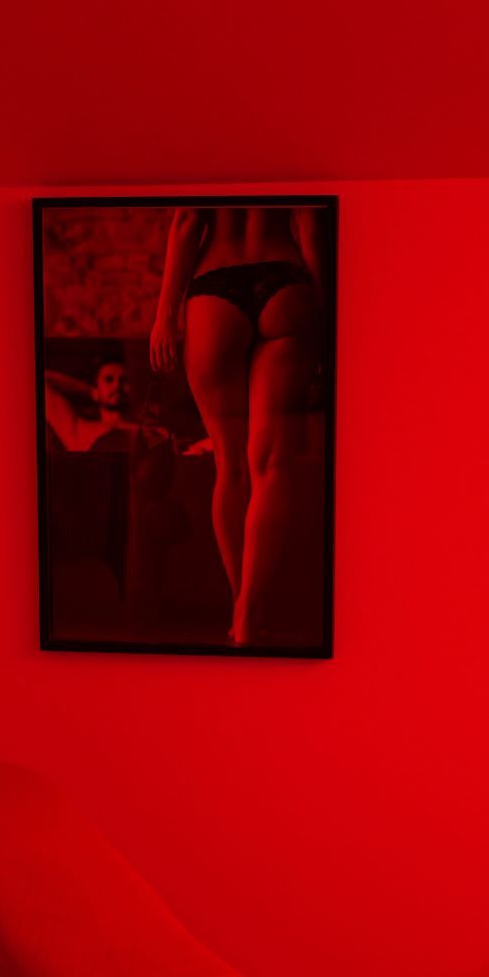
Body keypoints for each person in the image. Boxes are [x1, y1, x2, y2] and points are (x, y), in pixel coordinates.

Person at [149, 204, 326, 646]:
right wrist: (323, 311)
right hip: (286, 282)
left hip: (215, 288)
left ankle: (238, 606)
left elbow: (188, 221)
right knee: (272, 466)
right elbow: (308, 224)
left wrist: (165, 314)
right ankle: (249, 611)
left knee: (230, 467)